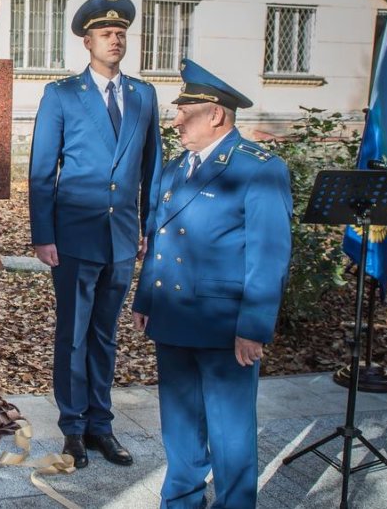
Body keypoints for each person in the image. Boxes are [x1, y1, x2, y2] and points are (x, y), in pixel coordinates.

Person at [132, 59, 292, 508]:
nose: (176, 119)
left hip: (224, 324)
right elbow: (159, 237)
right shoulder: (177, 168)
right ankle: (180, 500)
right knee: (180, 425)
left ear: (216, 114)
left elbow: (269, 254)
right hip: (173, 315)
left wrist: (254, 327)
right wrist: (146, 298)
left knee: (230, 431)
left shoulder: (257, 168)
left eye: (185, 111)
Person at [28, 0, 162, 468]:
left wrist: (150, 227)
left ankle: (102, 425)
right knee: (74, 334)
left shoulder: (144, 95)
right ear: (87, 41)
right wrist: (43, 234)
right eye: (106, 34)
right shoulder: (62, 95)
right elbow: (43, 169)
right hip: (75, 235)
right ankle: (73, 428)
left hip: (123, 236)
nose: (116, 40)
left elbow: (153, 169)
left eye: (121, 33)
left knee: (106, 336)